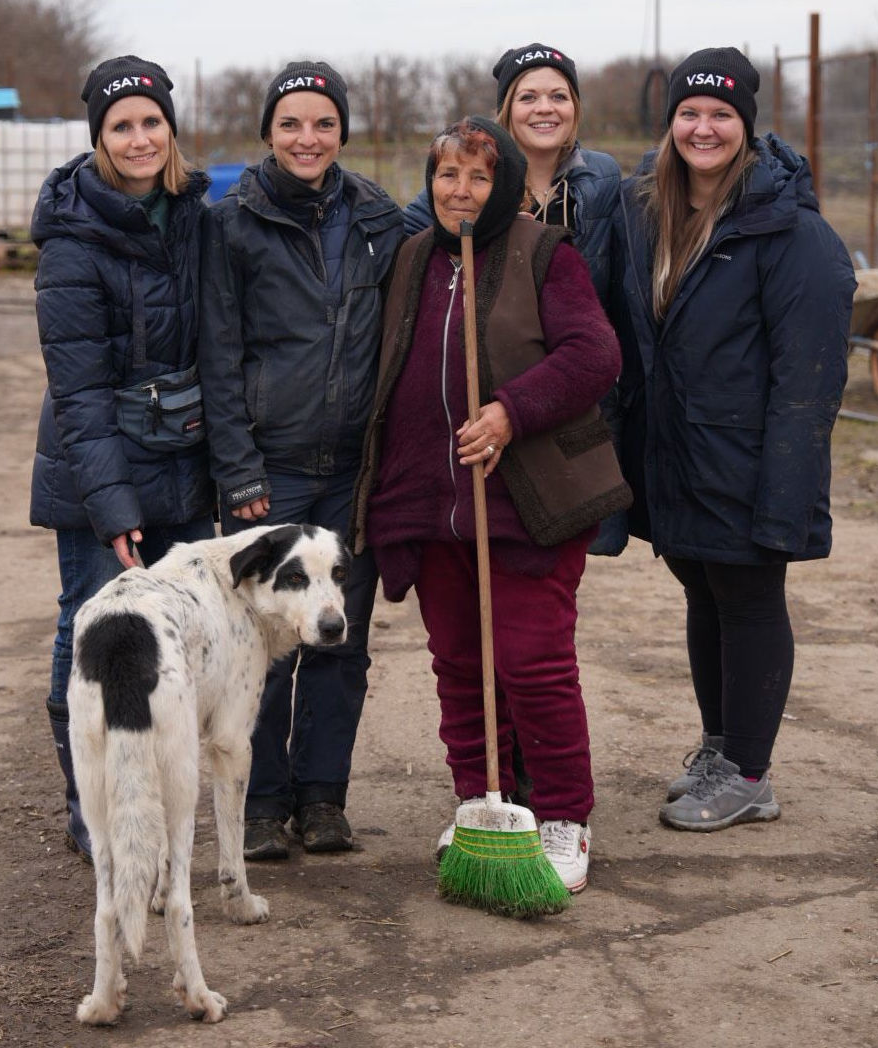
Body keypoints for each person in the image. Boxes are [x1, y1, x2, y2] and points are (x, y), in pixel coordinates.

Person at [351, 117, 631, 893]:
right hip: (432, 504)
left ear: (502, 183)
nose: (461, 192)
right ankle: (482, 799)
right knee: (460, 666)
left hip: (527, 499)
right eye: (447, 176)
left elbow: (594, 354)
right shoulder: (412, 257)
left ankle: (565, 815)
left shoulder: (545, 253)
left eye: (478, 177)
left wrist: (511, 410)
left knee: (533, 663)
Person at [611, 48, 855, 831]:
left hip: (749, 460)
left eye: (721, 114)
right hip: (682, 456)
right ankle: (721, 748)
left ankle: (750, 773)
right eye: (689, 112)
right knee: (704, 590)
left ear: (747, 126)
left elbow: (807, 383)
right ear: (671, 122)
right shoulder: (650, 211)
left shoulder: (792, 234)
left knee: (748, 597)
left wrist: (784, 496)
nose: (703, 127)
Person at [198, 61, 404, 861]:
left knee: (338, 640)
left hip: (354, 466)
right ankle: (260, 805)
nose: (307, 138)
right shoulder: (233, 223)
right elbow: (218, 357)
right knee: (259, 642)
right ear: (268, 133)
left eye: (323, 123)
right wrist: (239, 470)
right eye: (291, 123)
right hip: (271, 467)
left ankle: (323, 800)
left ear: (342, 131)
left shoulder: (378, 220)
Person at [29, 56, 216, 861]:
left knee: (170, 641)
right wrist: (113, 509)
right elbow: (78, 393)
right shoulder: (72, 243)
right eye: (121, 126)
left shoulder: (196, 218)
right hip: (98, 469)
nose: (139, 139)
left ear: (170, 128)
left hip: (181, 459)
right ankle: (91, 807)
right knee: (93, 628)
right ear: (98, 139)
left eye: (150, 121)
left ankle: (154, 798)